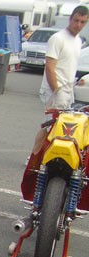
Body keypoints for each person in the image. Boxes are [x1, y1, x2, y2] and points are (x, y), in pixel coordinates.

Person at [30, 6, 89, 158]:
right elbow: (50, 67)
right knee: (50, 125)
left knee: (64, 125)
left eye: (82, 22)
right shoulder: (58, 38)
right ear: (70, 19)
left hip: (67, 90)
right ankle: (35, 157)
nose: (78, 24)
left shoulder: (77, 41)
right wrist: (56, 91)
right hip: (55, 90)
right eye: (76, 20)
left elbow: (68, 65)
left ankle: (53, 154)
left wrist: (75, 83)